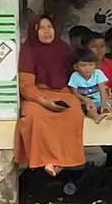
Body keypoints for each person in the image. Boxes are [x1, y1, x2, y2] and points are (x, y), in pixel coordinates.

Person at [16, 16, 85, 177]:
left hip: (62, 92)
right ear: (34, 32)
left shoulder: (63, 48)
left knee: (73, 111)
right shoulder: (29, 50)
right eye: (41, 28)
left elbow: (76, 75)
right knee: (35, 116)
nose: (47, 31)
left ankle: (61, 161)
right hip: (36, 94)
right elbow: (26, 84)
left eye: (50, 27)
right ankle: (47, 160)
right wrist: (43, 101)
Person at [68, 48, 112, 123]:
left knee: (104, 108)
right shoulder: (75, 76)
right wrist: (85, 99)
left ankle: (107, 115)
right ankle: (96, 117)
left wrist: (104, 103)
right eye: (83, 65)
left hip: (99, 100)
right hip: (86, 102)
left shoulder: (98, 73)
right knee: (91, 109)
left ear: (95, 65)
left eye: (91, 65)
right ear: (76, 67)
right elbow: (74, 92)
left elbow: (102, 88)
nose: (87, 68)